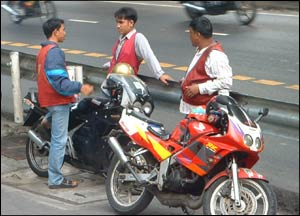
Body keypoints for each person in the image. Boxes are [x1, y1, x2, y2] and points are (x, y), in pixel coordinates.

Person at [37, 18, 94, 189]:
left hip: (48, 99)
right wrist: (80, 87)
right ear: (55, 31)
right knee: (59, 141)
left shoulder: (44, 50)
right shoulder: (54, 52)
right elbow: (60, 83)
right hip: (57, 100)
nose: (65, 32)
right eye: (63, 29)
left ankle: (46, 120)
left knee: (58, 132)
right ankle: (55, 180)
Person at [103, 7, 174, 85]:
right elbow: (119, 59)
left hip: (126, 85)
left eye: (121, 22)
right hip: (112, 82)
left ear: (131, 23)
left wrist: (160, 74)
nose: (118, 26)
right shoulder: (121, 39)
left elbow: (149, 56)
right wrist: (109, 65)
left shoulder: (138, 38)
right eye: (117, 22)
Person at [179, 16, 232, 114]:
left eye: (190, 33)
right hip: (194, 111)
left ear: (197, 35)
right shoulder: (201, 50)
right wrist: (186, 81)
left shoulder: (215, 55)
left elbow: (225, 81)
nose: (189, 36)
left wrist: (199, 88)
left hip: (203, 112)